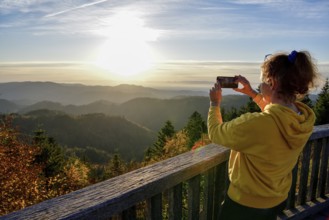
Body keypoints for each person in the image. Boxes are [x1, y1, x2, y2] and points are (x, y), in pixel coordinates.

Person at [208, 50, 319, 220]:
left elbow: (215, 133)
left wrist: (214, 103)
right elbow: (276, 116)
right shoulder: (302, 119)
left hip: (245, 204)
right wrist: (252, 93)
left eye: (263, 81)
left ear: (272, 83)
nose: (260, 85)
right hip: (276, 199)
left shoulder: (256, 123)